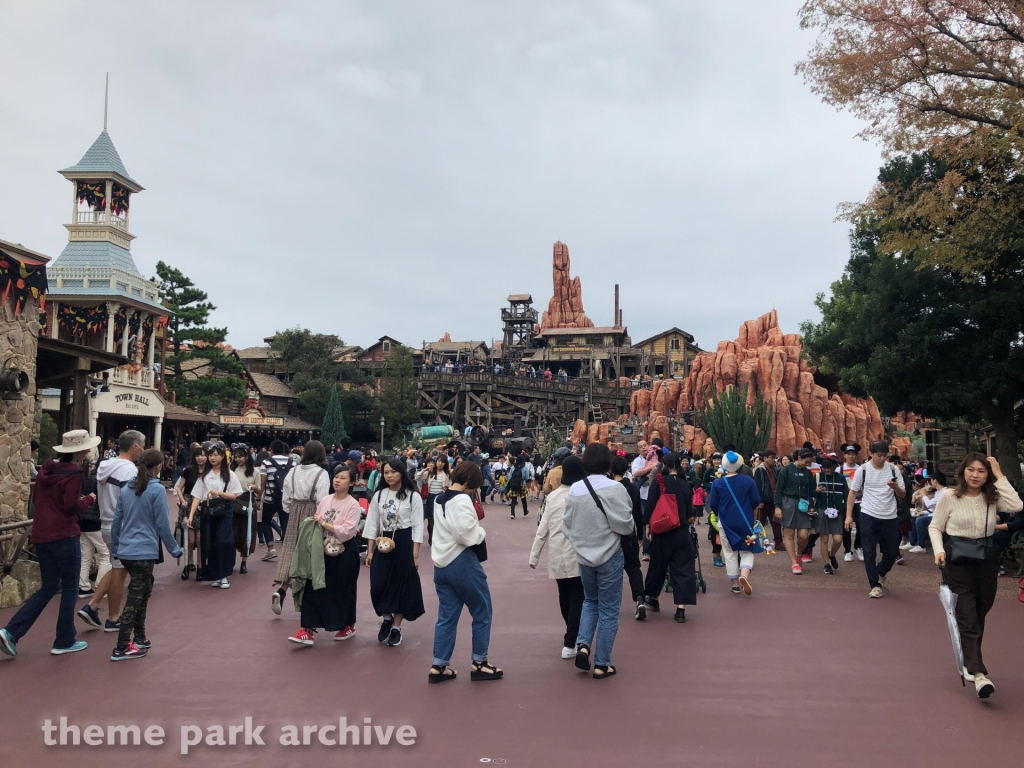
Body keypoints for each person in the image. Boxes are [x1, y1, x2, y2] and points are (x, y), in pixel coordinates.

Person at [1, 430, 99, 659]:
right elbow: (70, 505)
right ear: (80, 450)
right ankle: (64, 639)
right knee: (70, 587)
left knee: (47, 587)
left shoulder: (46, 469)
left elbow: (37, 499)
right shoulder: (74, 474)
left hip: (42, 535)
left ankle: (11, 631)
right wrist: (89, 499)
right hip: (65, 535)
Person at [929, 454, 1022, 698]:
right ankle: (979, 673)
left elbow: (1016, 506)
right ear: (963, 472)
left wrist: (1000, 475)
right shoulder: (950, 496)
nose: (975, 475)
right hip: (957, 558)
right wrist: (939, 550)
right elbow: (935, 526)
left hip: (986, 557)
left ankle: (969, 659)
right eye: (971, 470)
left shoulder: (991, 497)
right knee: (967, 614)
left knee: (980, 610)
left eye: (982, 471)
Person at [563, 443, 634, 678]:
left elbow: (567, 525)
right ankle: (602, 663)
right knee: (609, 609)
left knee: (590, 601)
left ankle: (583, 644)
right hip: (610, 555)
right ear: (607, 462)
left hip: (584, 556)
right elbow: (626, 524)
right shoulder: (616, 488)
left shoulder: (575, 490)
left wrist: (580, 543)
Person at [428, 461, 502, 683]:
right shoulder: (462, 500)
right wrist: (480, 533)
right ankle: (480, 662)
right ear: (471, 480)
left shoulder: (440, 498)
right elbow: (466, 535)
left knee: (446, 617)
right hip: (461, 561)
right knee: (482, 610)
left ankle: (439, 665)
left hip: (440, 563)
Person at [108, 448, 182, 661]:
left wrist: (116, 547)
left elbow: (116, 522)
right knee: (135, 596)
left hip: (125, 550)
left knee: (142, 591)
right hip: (143, 550)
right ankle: (122, 646)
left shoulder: (127, 489)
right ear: (159, 466)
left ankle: (139, 636)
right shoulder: (156, 490)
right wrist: (174, 549)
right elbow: (162, 524)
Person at [78, 430, 146, 633]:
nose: (143, 449)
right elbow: (132, 501)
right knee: (119, 571)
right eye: (142, 445)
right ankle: (113, 617)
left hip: (106, 520)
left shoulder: (105, 466)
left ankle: (92, 606)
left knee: (118, 567)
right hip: (122, 523)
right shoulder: (129, 471)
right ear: (135, 446)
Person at [288, 465, 363, 646]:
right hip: (322, 551)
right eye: (336, 477)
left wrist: (324, 523)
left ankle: (347, 625)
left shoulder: (353, 504)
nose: (337, 480)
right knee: (314, 586)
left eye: (343, 478)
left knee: (343, 590)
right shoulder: (325, 500)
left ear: (352, 482)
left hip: (345, 552)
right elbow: (316, 523)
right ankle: (307, 629)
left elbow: (347, 532)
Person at [364, 457, 426, 647]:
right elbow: (372, 522)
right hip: (383, 539)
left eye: (393, 472)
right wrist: (370, 550)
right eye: (386, 472)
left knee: (401, 585)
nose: (389, 475)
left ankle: (396, 628)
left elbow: (417, 525)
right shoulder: (379, 495)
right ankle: (386, 617)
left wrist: (415, 553)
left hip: (404, 541)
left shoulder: (412, 496)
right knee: (378, 583)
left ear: (402, 473)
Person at [530, 456, 584, 658]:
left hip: (557, 553)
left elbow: (542, 528)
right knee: (579, 596)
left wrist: (534, 556)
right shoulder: (582, 494)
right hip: (578, 552)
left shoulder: (552, 497)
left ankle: (571, 635)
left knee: (564, 595)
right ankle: (572, 641)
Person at [272, 441, 330, 613]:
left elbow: (286, 497)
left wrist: (292, 510)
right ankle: (308, 598)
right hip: (313, 513)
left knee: (291, 551)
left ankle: (282, 589)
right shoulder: (322, 474)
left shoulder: (293, 471)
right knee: (311, 555)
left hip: (295, 511)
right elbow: (323, 499)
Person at [846, 441, 906, 598]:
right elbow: (852, 493)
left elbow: (903, 494)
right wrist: (848, 516)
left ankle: (880, 572)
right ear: (871, 454)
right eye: (879, 456)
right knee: (869, 551)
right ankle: (874, 585)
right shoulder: (863, 470)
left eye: (884, 456)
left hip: (890, 516)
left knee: (892, 553)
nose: (882, 459)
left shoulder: (893, 469)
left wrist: (895, 488)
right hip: (868, 514)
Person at [189, 441, 242, 589]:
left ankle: (224, 574)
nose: (213, 458)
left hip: (224, 509)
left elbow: (234, 495)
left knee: (223, 541)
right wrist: (192, 515)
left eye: (216, 455)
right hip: (208, 510)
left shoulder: (229, 475)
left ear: (222, 457)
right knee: (209, 542)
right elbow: (197, 496)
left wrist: (220, 493)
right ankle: (215, 575)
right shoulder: (205, 475)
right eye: (210, 455)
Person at [709, 451, 762, 595]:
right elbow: (756, 500)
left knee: (729, 553)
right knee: (747, 550)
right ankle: (744, 573)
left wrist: (721, 512)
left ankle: (735, 584)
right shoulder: (748, 480)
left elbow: (713, 504)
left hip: (726, 522)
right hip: (745, 521)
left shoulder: (718, 483)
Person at [611, 455, 647, 620]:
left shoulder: (608, 488)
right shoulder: (633, 489)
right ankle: (640, 598)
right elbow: (638, 515)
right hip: (629, 532)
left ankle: (610, 603)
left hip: (611, 534)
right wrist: (640, 535)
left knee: (611, 570)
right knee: (633, 568)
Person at [774, 447, 818, 575]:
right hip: (787, 503)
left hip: (803, 504)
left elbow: (811, 491)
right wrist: (777, 506)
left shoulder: (808, 473)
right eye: (807, 462)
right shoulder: (786, 470)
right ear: (799, 458)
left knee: (804, 535)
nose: (808, 464)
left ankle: (799, 553)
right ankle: (794, 563)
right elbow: (778, 490)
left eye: (810, 462)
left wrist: (812, 503)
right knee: (789, 534)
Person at [259, 440, 297, 563]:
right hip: (287, 498)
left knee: (266, 522)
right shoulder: (293, 463)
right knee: (286, 522)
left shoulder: (266, 462)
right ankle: (287, 551)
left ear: (271, 450)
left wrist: (259, 498)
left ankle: (270, 548)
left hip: (270, 498)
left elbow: (263, 482)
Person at [174, 446, 207, 580]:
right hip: (188, 506)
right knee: (190, 539)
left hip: (204, 506)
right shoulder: (188, 471)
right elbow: (179, 488)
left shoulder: (210, 472)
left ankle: (200, 566)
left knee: (200, 539)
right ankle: (188, 564)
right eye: (198, 455)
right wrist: (183, 501)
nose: (200, 458)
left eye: (203, 455)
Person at [77, 458, 108, 598]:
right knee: (106, 554)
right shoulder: (102, 482)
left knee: (85, 555)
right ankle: (101, 587)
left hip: (82, 520)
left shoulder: (87, 478)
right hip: (95, 521)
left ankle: (82, 586)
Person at [814, 456, 849, 574]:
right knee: (824, 538)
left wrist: (847, 512)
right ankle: (826, 564)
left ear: (834, 467)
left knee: (838, 539)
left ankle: (832, 554)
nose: (827, 470)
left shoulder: (841, 478)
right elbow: (811, 493)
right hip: (821, 510)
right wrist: (817, 491)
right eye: (824, 467)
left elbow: (847, 496)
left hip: (837, 511)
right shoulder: (818, 477)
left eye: (829, 467)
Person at [231, 444, 261, 575]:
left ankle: (244, 562)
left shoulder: (255, 472)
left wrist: (254, 487)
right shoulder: (231, 470)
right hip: (233, 501)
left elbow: (259, 489)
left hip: (247, 502)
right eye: (236, 457)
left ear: (247, 457)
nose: (238, 459)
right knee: (232, 532)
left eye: (241, 456)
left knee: (247, 532)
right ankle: (230, 561)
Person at [416, 456, 451, 545]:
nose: (440, 464)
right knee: (431, 521)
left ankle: (437, 538)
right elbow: (417, 477)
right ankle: (431, 536)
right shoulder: (430, 473)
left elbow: (450, 487)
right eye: (439, 461)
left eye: (442, 462)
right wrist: (424, 470)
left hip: (440, 498)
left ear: (445, 464)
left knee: (439, 520)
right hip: (430, 498)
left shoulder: (447, 474)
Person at [909, 471, 946, 553]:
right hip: (934, 514)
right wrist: (923, 512)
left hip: (942, 516)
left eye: (931, 480)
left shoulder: (944, 492)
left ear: (935, 481)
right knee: (913, 517)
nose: (931, 483)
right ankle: (912, 542)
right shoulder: (938, 492)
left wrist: (924, 494)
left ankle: (921, 545)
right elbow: (933, 508)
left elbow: (929, 504)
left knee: (920, 521)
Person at [753, 450, 784, 551]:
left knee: (776, 522)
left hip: (773, 500)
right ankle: (758, 542)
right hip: (764, 501)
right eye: (771, 457)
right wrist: (760, 500)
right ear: (765, 458)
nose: (773, 460)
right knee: (760, 523)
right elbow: (757, 486)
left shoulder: (774, 470)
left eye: (774, 457)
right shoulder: (759, 470)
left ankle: (778, 542)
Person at [840, 444, 864, 562]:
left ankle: (858, 547)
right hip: (845, 501)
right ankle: (847, 550)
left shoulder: (861, 469)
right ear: (844, 455)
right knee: (846, 527)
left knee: (861, 525)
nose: (851, 456)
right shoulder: (839, 469)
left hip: (860, 501)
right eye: (848, 454)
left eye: (853, 454)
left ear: (856, 456)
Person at [703, 452, 725, 566]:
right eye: (715, 459)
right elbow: (704, 482)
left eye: (718, 459)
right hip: (712, 497)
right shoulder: (709, 471)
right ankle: (716, 556)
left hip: (724, 500)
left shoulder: (725, 471)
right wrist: (713, 486)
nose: (717, 461)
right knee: (715, 527)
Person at [507, 455, 529, 520]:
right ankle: (525, 512)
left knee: (513, 500)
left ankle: (512, 514)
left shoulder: (513, 467)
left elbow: (509, 476)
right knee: (523, 499)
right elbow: (527, 477)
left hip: (514, 484)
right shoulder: (524, 468)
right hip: (522, 484)